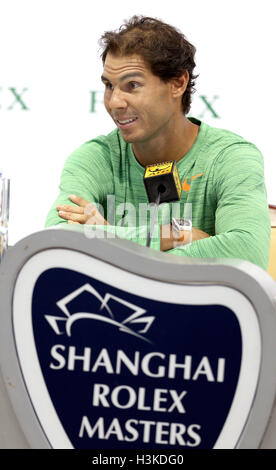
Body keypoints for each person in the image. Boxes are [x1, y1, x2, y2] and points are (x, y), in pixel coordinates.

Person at [45, 15, 270, 270]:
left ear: (178, 83)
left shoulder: (231, 157)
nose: (114, 102)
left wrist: (107, 237)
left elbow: (246, 253)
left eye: (132, 85)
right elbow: (58, 240)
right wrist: (176, 233)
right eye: (109, 85)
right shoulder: (94, 157)